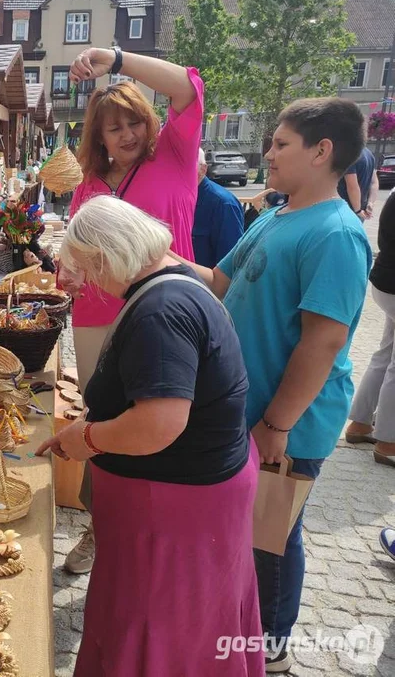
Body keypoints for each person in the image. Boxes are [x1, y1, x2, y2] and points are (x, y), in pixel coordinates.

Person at [175, 98, 373, 673]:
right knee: (245, 528)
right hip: (246, 411)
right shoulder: (274, 215)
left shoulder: (336, 234)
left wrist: (277, 424)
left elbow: (324, 343)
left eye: (281, 144)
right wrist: (152, 252)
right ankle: (237, 624)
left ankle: (270, 646)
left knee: (274, 537)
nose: (269, 153)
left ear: (321, 151)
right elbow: (218, 280)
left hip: (289, 423)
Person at [37, 196, 263, 676]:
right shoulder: (170, 281)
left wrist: (89, 439)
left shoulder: (162, 309)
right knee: (174, 621)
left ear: (107, 254)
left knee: (159, 626)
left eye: (89, 267)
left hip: (176, 511)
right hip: (187, 496)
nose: (90, 281)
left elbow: (160, 422)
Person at [63, 47, 203, 574]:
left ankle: (157, 533)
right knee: (103, 418)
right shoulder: (88, 186)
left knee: (162, 420)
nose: (126, 134)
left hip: (165, 309)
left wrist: (116, 60)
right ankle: (99, 528)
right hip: (98, 314)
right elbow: (75, 255)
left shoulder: (174, 155)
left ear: (149, 123)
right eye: (112, 127)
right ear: (98, 137)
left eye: (133, 122)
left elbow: (188, 87)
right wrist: (69, 271)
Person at [345, 189, 395, 467]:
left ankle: (360, 423)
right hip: (391, 283)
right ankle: (388, 441)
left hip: (385, 281)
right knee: (391, 361)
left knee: (385, 355)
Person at [194, 148, 245, 267]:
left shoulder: (223, 204)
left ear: (203, 169)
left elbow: (230, 265)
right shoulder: (177, 200)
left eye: (186, 165)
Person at [338, 145, 377, 220]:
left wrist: (357, 210)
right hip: (362, 207)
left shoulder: (349, 155)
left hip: (348, 209)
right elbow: (374, 182)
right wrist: (370, 203)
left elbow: (352, 186)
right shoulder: (369, 154)